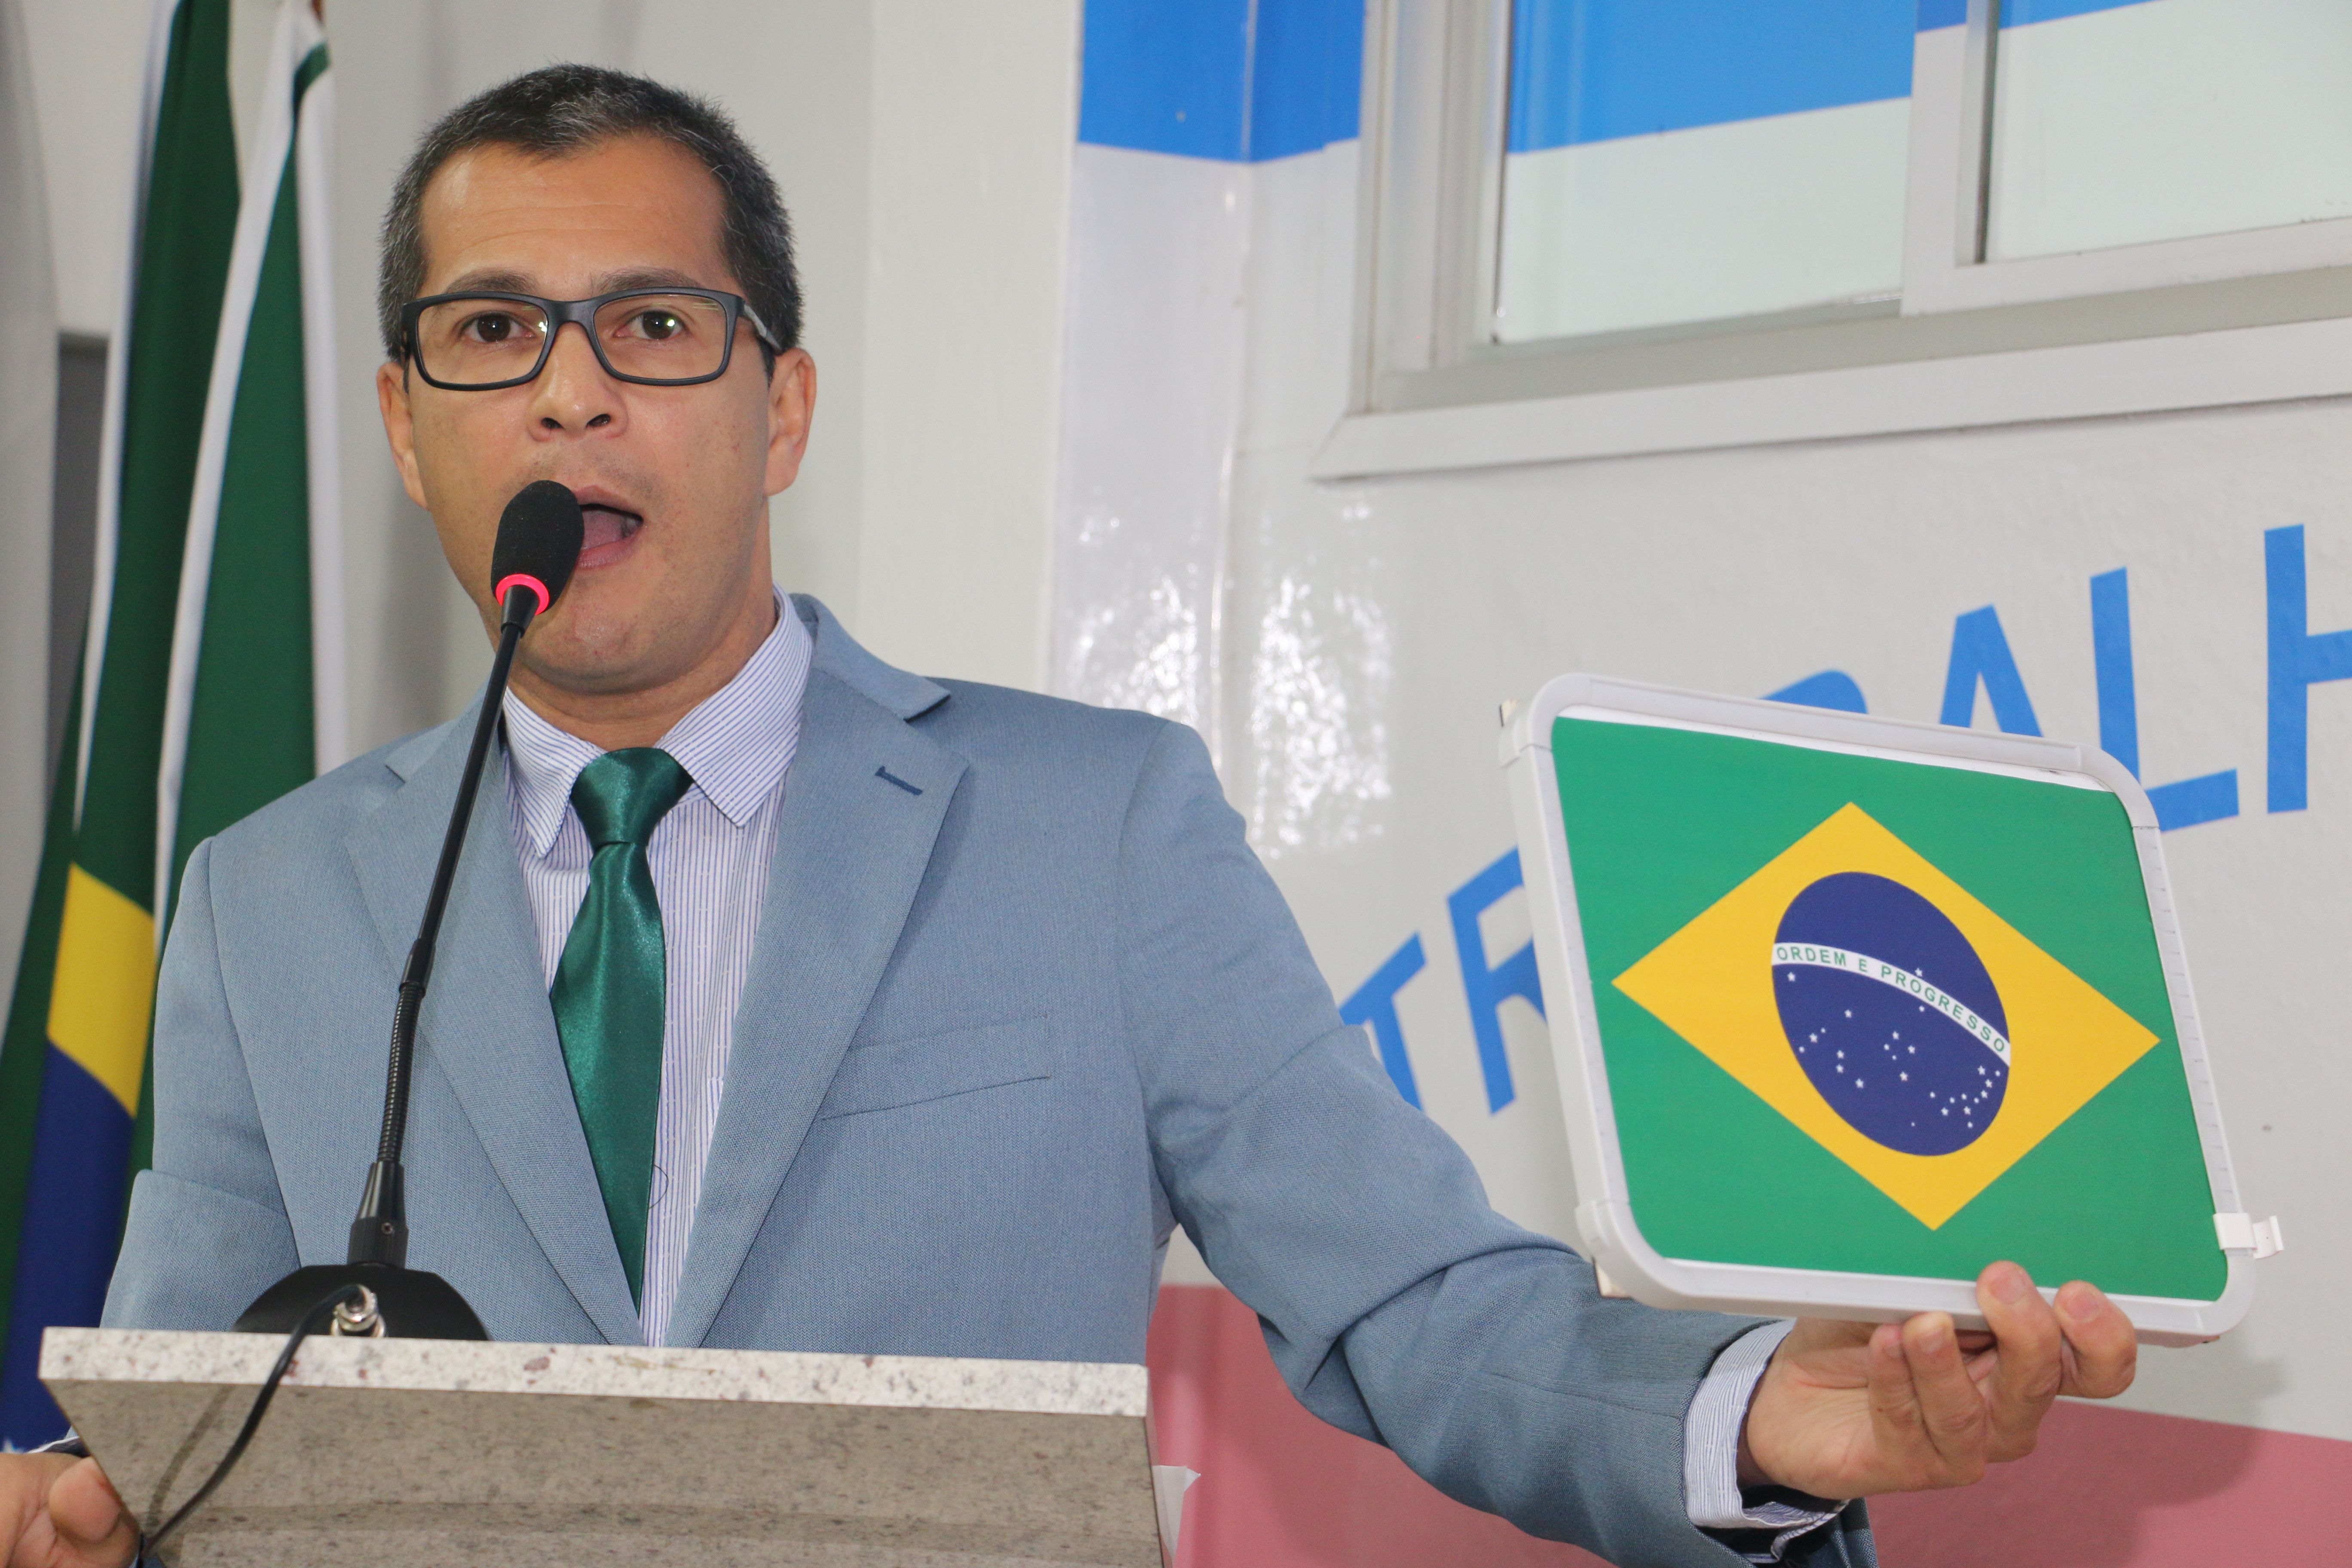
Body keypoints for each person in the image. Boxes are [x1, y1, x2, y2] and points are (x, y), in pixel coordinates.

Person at [0, 66, 2136, 1568]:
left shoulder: (1094, 828)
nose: (570, 392)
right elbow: (183, 1426)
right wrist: (94, 1515)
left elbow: (1416, 1307)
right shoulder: (269, 900)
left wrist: (1768, 1416)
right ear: (404, 426)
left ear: (783, 404)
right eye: (492, 334)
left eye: (650, 324)